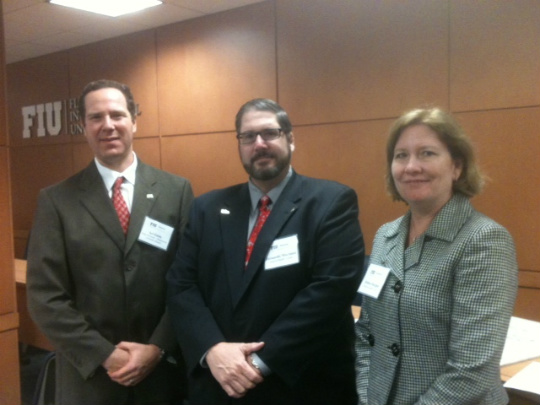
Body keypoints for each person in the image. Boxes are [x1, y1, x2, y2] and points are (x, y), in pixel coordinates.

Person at [167, 98, 365, 405]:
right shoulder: (206, 208)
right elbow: (181, 285)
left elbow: (331, 290)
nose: (259, 144)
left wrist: (255, 364)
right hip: (218, 384)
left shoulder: (331, 202)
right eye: (248, 137)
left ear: (290, 138)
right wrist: (213, 349)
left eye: (269, 133)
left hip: (300, 386)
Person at [26, 79, 194, 405]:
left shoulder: (177, 192)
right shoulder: (56, 200)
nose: (108, 126)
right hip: (89, 378)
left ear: (134, 120)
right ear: (83, 126)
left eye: (117, 115)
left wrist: (158, 347)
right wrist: (104, 354)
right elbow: (45, 297)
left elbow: (189, 281)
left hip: (161, 377)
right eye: (96, 117)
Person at [354, 107, 518, 405]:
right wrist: (368, 397)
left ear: (456, 166)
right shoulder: (385, 237)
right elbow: (367, 332)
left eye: (427, 153)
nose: (411, 166)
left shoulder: (483, 240)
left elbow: (473, 372)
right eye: (401, 155)